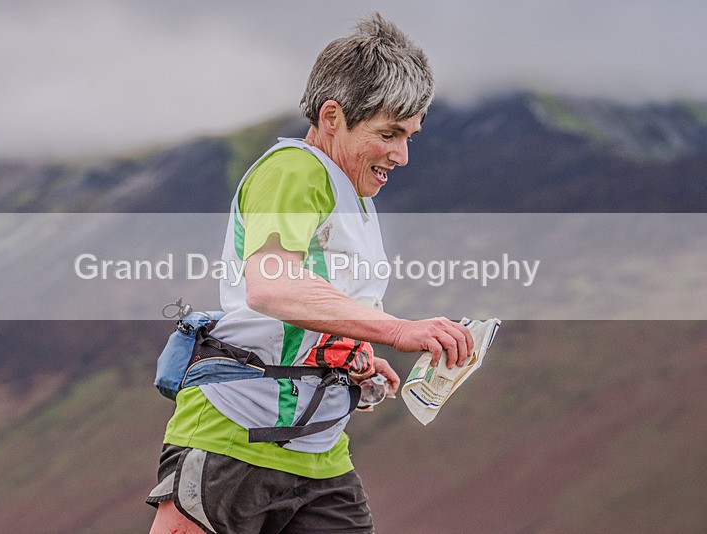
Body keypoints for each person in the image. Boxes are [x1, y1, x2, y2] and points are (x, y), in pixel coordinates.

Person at [147, 13, 473, 533]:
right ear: (331, 116)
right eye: (389, 134)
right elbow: (272, 285)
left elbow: (318, 306)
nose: (402, 155)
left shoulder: (355, 195)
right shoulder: (296, 170)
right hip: (235, 436)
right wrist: (398, 331)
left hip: (319, 452)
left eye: (410, 136)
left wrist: (353, 355)